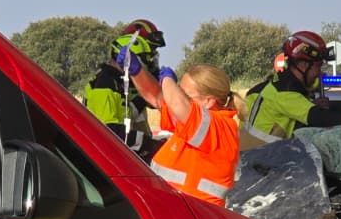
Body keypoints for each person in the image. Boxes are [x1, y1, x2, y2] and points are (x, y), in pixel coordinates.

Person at [117, 48, 240, 207]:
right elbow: (156, 96)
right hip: (176, 210)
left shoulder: (219, 127)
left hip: (198, 216)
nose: (179, 95)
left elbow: (176, 102)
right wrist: (137, 70)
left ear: (208, 101)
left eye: (185, 94)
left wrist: (168, 80)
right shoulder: (192, 122)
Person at [241, 30, 341, 145]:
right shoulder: (284, 92)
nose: (319, 73)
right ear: (303, 65)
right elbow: (317, 117)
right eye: (318, 67)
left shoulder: (269, 86)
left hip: (252, 156)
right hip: (260, 159)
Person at [84, 19, 166, 151]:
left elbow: (131, 113)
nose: (151, 63)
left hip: (130, 154)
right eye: (148, 56)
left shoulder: (124, 83)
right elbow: (110, 133)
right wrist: (150, 144)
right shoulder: (106, 84)